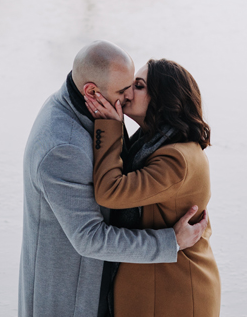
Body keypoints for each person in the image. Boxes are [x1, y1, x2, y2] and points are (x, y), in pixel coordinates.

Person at [20, 41, 209, 317]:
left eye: (134, 85)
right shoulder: (64, 148)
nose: (128, 96)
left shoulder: (94, 111)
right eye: (123, 90)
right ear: (92, 90)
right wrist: (171, 243)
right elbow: (89, 238)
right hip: (72, 300)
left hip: (106, 289)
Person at [84, 58, 220, 317]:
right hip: (159, 283)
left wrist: (109, 126)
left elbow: (110, 192)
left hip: (172, 291)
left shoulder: (175, 159)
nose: (126, 92)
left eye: (138, 85)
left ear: (163, 98)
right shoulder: (155, 144)